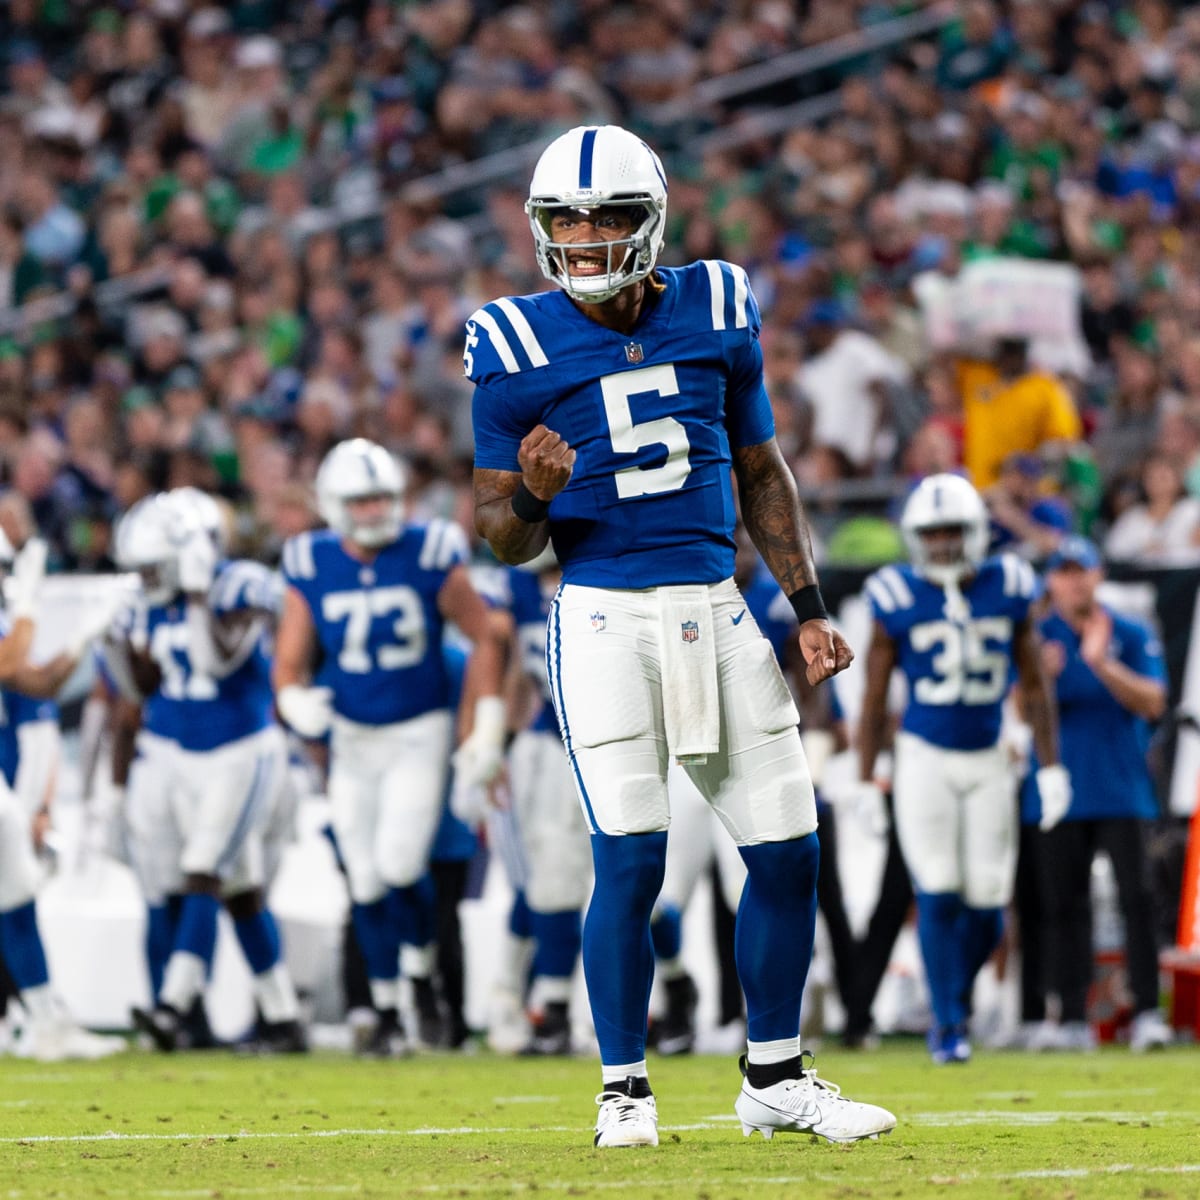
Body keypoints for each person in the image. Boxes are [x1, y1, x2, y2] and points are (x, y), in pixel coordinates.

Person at [468, 123, 895, 1149]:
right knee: (632, 857)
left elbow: (761, 467)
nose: (579, 235)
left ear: (648, 221)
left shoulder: (716, 301)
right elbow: (498, 539)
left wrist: (808, 607)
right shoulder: (511, 340)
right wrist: (531, 490)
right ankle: (623, 1089)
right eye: (562, 218)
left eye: (602, 215)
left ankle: (776, 1077)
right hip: (605, 618)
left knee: (789, 849)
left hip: (718, 607)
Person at [274, 438, 507, 1056]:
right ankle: (382, 1008)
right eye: (363, 500)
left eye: (383, 497)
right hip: (352, 736)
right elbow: (288, 660)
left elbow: (485, 636)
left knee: (403, 864)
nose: (377, 510)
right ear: (333, 503)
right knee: (366, 879)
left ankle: (421, 972)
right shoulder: (309, 559)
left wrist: (484, 723)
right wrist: (293, 700)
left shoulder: (430, 550)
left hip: (417, 731)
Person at [857, 472, 1069, 1064]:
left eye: (954, 532)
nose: (944, 544)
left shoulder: (1010, 584)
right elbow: (875, 698)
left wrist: (1051, 767)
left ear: (976, 532)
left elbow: (1034, 684)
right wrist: (866, 779)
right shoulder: (895, 593)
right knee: (938, 888)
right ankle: (948, 1024)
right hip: (924, 754)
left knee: (987, 903)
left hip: (988, 754)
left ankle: (952, 997)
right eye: (934, 533)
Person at [118, 491, 306, 1053]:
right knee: (241, 891)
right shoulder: (149, 600)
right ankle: (284, 1019)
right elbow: (137, 692)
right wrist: (113, 643)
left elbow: (214, 660)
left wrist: (199, 594)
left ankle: (173, 1005)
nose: (147, 578)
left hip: (243, 752)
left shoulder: (240, 584)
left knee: (203, 870)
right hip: (180, 756)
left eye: (156, 565)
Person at [1031, 536, 1173, 1052]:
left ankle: (1147, 1013)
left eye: (1081, 571)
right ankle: (1067, 1015)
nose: (1073, 581)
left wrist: (1100, 662)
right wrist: (1039, 681)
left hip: (1121, 786)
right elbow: (1016, 711)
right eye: (1064, 572)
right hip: (1058, 788)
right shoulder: (1037, 638)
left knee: (1138, 900)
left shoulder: (1127, 632)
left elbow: (1154, 701)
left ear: (1098, 575)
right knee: (1062, 903)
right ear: (1052, 581)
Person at [0, 532, 127, 1059]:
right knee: (17, 889)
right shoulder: (14, 626)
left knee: (17, 893)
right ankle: (40, 1018)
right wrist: (29, 607)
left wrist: (81, 638)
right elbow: (9, 665)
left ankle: (41, 1017)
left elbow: (40, 683)